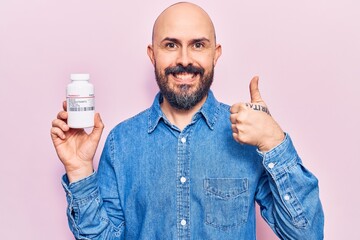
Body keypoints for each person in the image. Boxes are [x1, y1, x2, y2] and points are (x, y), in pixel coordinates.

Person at [51, 2, 324, 239]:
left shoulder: (249, 134)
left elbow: (307, 234)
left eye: (198, 45)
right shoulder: (121, 143)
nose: (184, 60)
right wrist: (79, 171)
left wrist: (273, 142)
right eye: (171, 45)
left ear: (215, 54)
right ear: (152, 54)